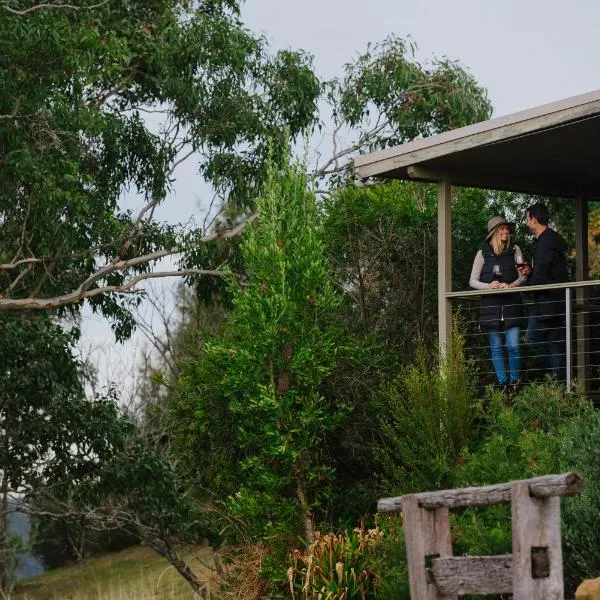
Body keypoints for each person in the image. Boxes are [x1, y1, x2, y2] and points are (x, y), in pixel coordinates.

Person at [470, 216, 525, 394]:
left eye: (507, 229)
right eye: (502, 229)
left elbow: (523, 276)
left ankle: (515, 382)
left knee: (514, 346)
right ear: (494, 232)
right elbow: (472, 281)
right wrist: (489, 286)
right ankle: (503, 385)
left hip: (512, 305)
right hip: (491, 307)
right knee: (496, 348)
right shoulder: (482, 253)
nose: (506, 232)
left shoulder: (515, 250)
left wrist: (511, 285)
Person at [516, 203, 568, 382]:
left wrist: (521, 287)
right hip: (557, 302)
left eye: (527, 218)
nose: (526, 222)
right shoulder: (550, 241)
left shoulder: (545, 243)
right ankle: (560, 386)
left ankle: (556, 375)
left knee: (532, 340)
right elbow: (545, 271)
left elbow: (541, 277)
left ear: (534, 220)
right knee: (555, 347)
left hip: (546, 303)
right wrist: (531, 271)